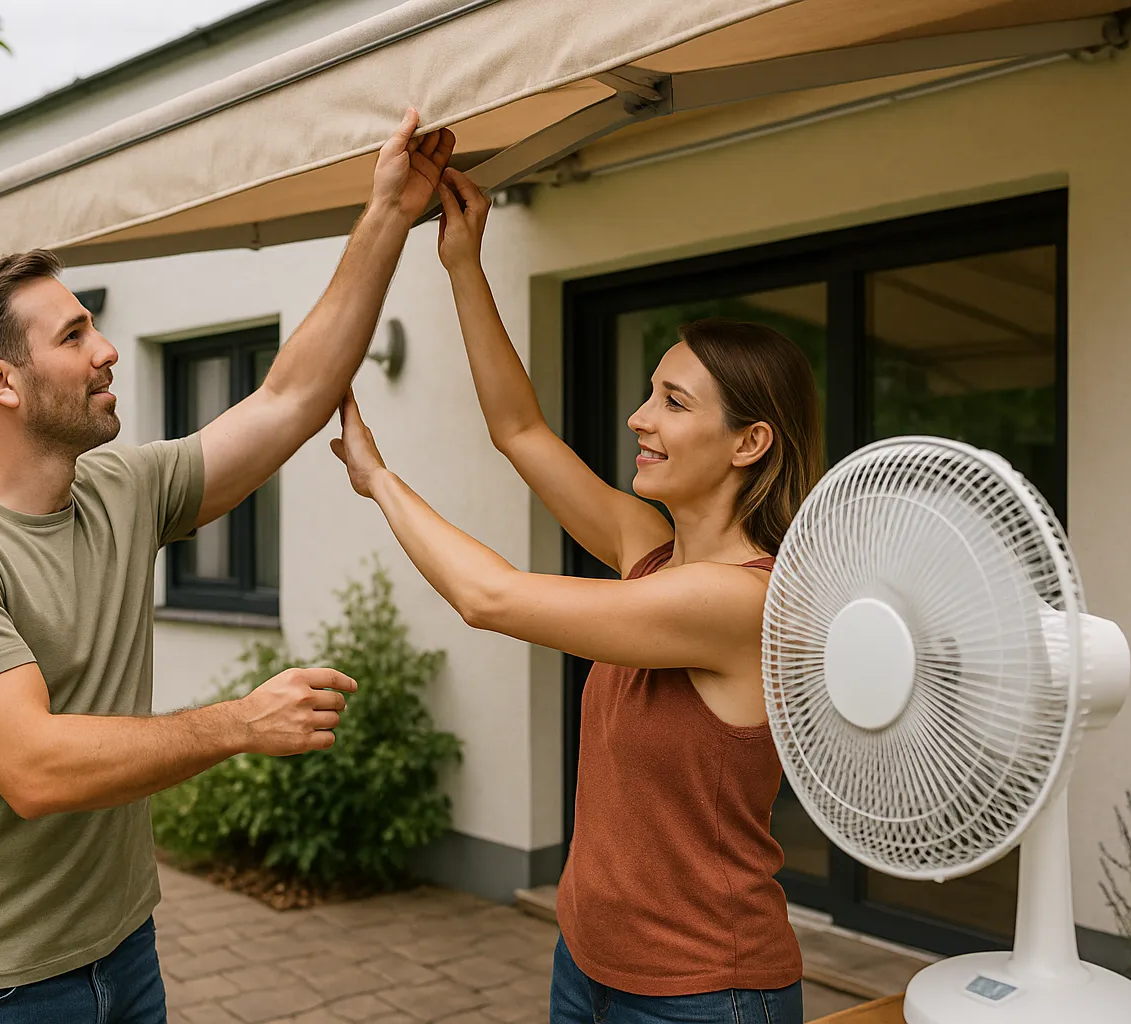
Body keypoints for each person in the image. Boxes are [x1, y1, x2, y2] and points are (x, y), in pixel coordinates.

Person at [0, 111, 454, 1024]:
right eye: (73, 336)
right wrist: (238, 723)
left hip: (122, 950)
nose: (105, 352)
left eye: (94, 326)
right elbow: (35, 768)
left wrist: (388, 213)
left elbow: (291, 397)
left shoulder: (119, 490)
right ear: (2, 383)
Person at [329, 167, 823, 1024]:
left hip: (706, 993)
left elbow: (491, 598)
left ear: (750, 440)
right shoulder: (651, 551)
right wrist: (462, 266)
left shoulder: (741, 603)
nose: (640, 417)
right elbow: (519, 430)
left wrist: (379, 480)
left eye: (672, 402)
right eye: (650, 394)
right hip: (587, 965)